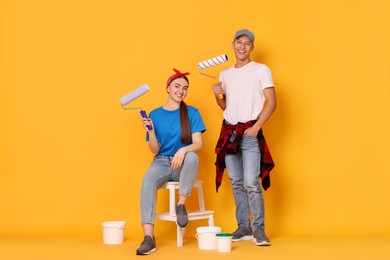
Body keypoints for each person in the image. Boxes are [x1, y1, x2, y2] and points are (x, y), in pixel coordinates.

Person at [212, 29, 276, 246]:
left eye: (247, 43)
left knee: (251, 183)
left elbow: (272, 102)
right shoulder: (225, 73)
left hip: (249, 133)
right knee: (237, 182)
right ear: (232, 44)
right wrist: (218, 95)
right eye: (239, 42)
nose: (242, 47)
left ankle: (259, 229)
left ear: (252, 48)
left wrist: (256, 127)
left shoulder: (261, 70)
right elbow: (225, 106)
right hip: (229, 133)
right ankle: (243, 226)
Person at [136, 69, 206, 255]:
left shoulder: (192, 112)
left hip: (183, 164)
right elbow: (155, 149)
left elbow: (198, 144)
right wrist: (151, 133)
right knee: (147, 181)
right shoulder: (155, 115)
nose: (181, 91)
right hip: (161, 162)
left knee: (192, 156)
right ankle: (149, 238)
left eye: (185, 88)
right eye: (177, 86)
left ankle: (180, 204)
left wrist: (183, 150)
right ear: (168, 88)